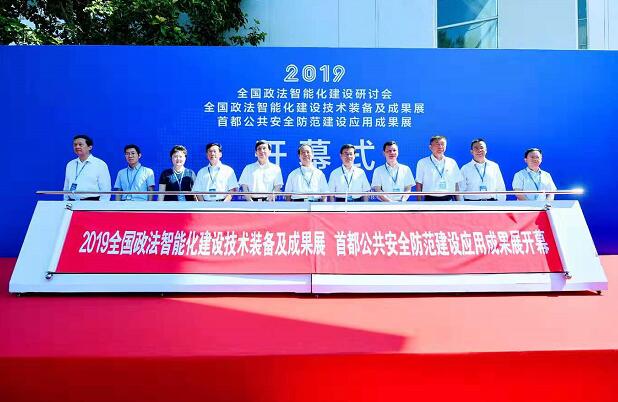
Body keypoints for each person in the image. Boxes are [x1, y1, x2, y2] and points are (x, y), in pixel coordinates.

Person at [63, 134, 111, 201]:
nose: (77, 147)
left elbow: (105, 189)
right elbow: (66, 186)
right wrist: (65, 201)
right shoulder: (70, 164)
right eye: (75, 145)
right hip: (72, 202)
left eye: (80, 144)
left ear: (89, 147)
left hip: (92, 202)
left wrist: (102, 205)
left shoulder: (100, 164)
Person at [415, 135, 463, 201]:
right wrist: (419, 202)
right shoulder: (422, 162)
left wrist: (458, 202)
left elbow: (456, 184)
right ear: (430, 147)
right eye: (437, 144)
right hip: (430, 199)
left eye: (442, 144)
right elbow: (419, 183)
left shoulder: (452, 162)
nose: (440, 147)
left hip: (449, 199)